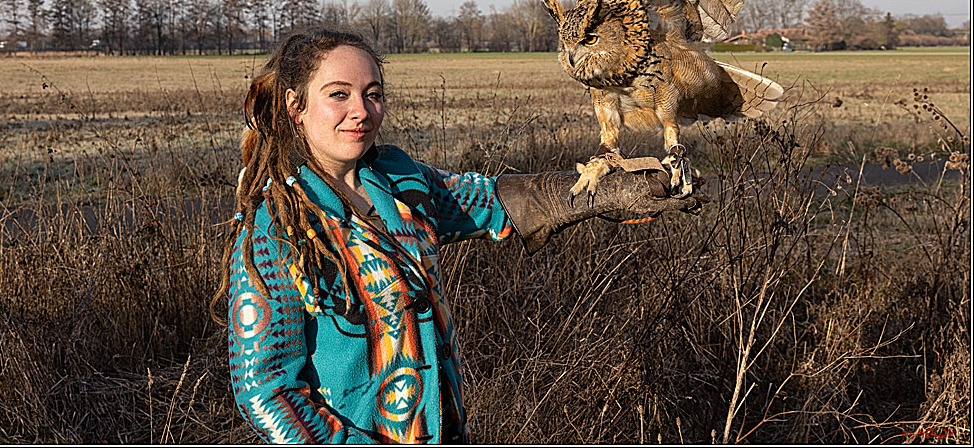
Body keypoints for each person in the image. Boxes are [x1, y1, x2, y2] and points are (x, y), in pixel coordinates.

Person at [213, 28, 699, 444]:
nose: (361, 110)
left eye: (373, 93)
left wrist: (602, 193)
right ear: (296, 106)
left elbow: (491, 200)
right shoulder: (275, 227)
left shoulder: (400, 181)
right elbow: (266, 390)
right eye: (338, 94)